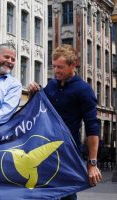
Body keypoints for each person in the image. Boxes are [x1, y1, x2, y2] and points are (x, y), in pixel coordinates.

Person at [28, 44, 102, 200]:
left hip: (67, 151)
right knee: (43, 192)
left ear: (73, 65)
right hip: (44, 148)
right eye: (54, 66)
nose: (56, 71)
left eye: (60, 67)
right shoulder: (51, 85)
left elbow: (92, 128)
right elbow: (39, 111)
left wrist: (92, 163)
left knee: (66, 193)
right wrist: (32, 95)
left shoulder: (84, 90)